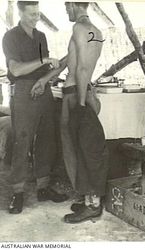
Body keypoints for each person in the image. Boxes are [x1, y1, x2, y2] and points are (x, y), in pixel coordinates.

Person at [33, 2, 107, 223]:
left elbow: (83, 68)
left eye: (67, 6)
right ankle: (88, 200)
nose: (66, 11)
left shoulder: (79, 29)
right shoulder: (95, 31)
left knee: (81, 148)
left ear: (76, 4)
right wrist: (46, 79)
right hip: (79, 92)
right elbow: (71, 60)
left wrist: (82, 104)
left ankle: (92, 206)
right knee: (79, 147)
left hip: (77, 94)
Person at [2, 1, 68, 214]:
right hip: (22, 90)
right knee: (22, 140)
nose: (35, 18)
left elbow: (46, 68)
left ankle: (43, 186)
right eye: (31, 14)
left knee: (47, 138)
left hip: (43, 89)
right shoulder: (10, 37)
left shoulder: (41, 36)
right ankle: (18, 192)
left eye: (37, 13)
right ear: (20, 13)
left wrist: (44, 80)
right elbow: (16, 69)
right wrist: (44, 60)